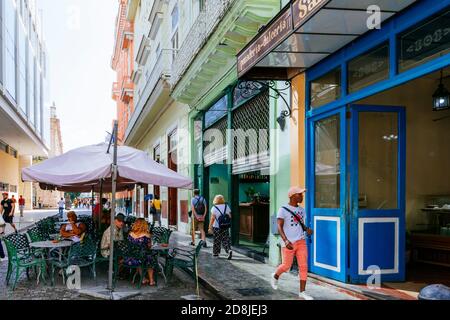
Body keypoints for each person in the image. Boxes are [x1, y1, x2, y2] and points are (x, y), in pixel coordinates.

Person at [270, 186, 314, 300]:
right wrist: (285, 240)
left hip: (301, 241)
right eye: (299, 194)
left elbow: (300, 224)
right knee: (286, 266)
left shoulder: (302, 210)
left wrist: (307, 229)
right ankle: (275, 276)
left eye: (302, 194)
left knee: (303, 266)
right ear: (292, 196)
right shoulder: (283, 209)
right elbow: (279, 226)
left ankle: (302, 292)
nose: (302, 196)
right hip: (288, 242)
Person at [125, 218, 157, 286]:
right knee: (150, 258)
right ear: (144, 225)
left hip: (130, 258)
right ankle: (151, 280)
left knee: (139, 257)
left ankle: (143, 279)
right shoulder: (147, 235)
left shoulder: (130, 234)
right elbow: (149, 247)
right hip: (141, 258)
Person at [208, 195, 232, 260]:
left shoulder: (214, 208)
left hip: (217, 226)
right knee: (225, 239)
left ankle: (216, 253)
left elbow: (212, 219)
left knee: (217, 239)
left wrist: (210, 227)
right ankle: (229, 250)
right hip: (225, 226)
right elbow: (230, 216)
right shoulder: (227, 206)